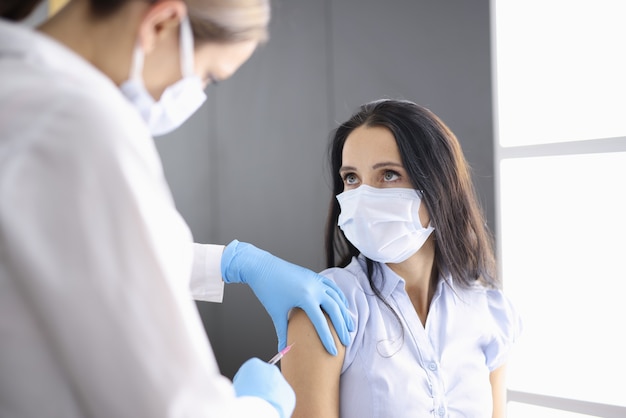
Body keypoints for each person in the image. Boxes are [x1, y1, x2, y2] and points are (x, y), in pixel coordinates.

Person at [0, 1, 354, 417]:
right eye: (208, 77)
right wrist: (260, 406)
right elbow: (175, 408)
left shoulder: (18, 87)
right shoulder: (81, 126)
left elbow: (70, 248)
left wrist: (230, 262)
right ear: (162, 21)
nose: (197, 93)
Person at [281, 99, 522, 418]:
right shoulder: (327, 306)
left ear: (439, 185)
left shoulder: (489, 309)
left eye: (389, 175)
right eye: (351, 177)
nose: (364, 196)